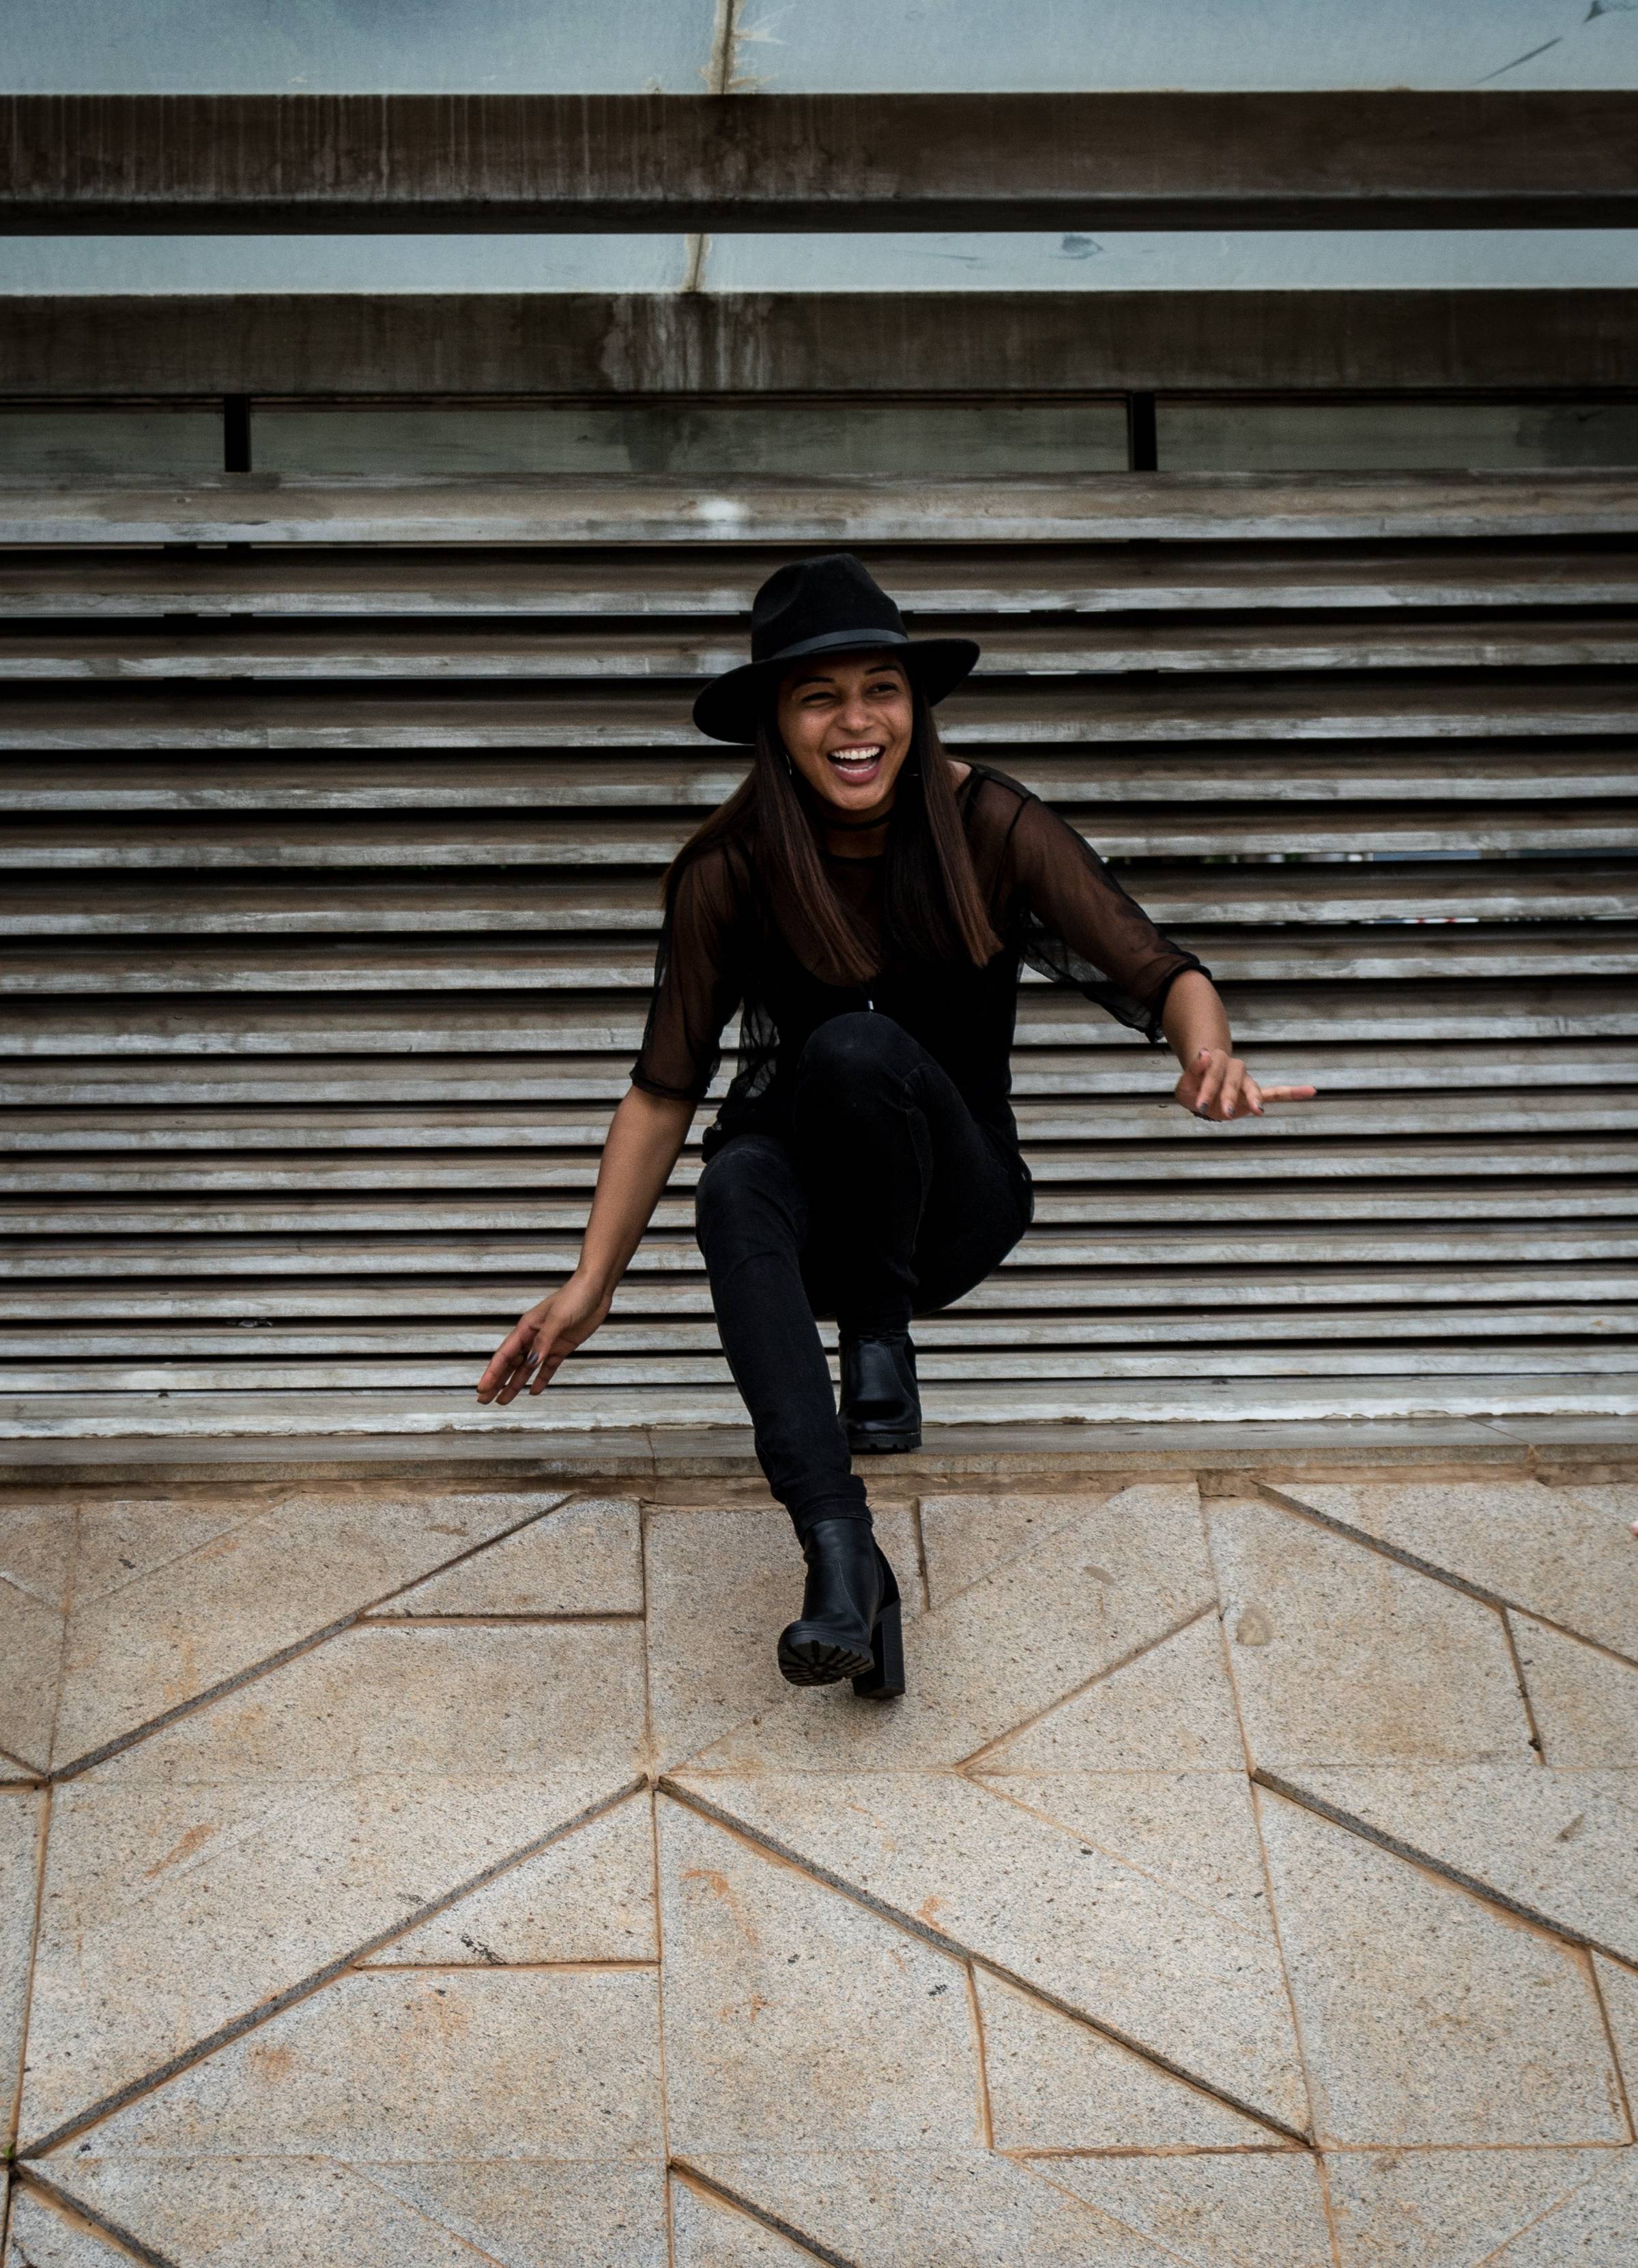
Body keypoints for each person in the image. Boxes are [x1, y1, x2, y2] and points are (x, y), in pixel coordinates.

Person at [478, 555, 1314, 1698]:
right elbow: (665, 1090)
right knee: (733, 1181)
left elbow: (1159, 967)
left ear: (916, 709)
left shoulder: (989, 824)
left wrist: (1207, 1050)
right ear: (778, 723)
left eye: (882, 687)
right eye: (819, 695)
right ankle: (842, 1559)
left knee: (859, 1044)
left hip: (950, 1204)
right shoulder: (730, 871)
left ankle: (880, 1337)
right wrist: (589, 1286)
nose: (856, 720)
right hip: (811, 1211)